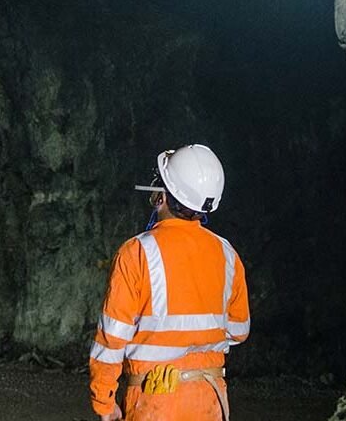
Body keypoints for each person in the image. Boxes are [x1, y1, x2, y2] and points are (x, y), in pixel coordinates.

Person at [89, 145, 250, 421]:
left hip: (155, 399)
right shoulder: (227, 255)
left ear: (162, 197)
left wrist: (104, 402)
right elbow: (238, 331)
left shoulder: (137, 252)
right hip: (210, 399)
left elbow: (111, 340)